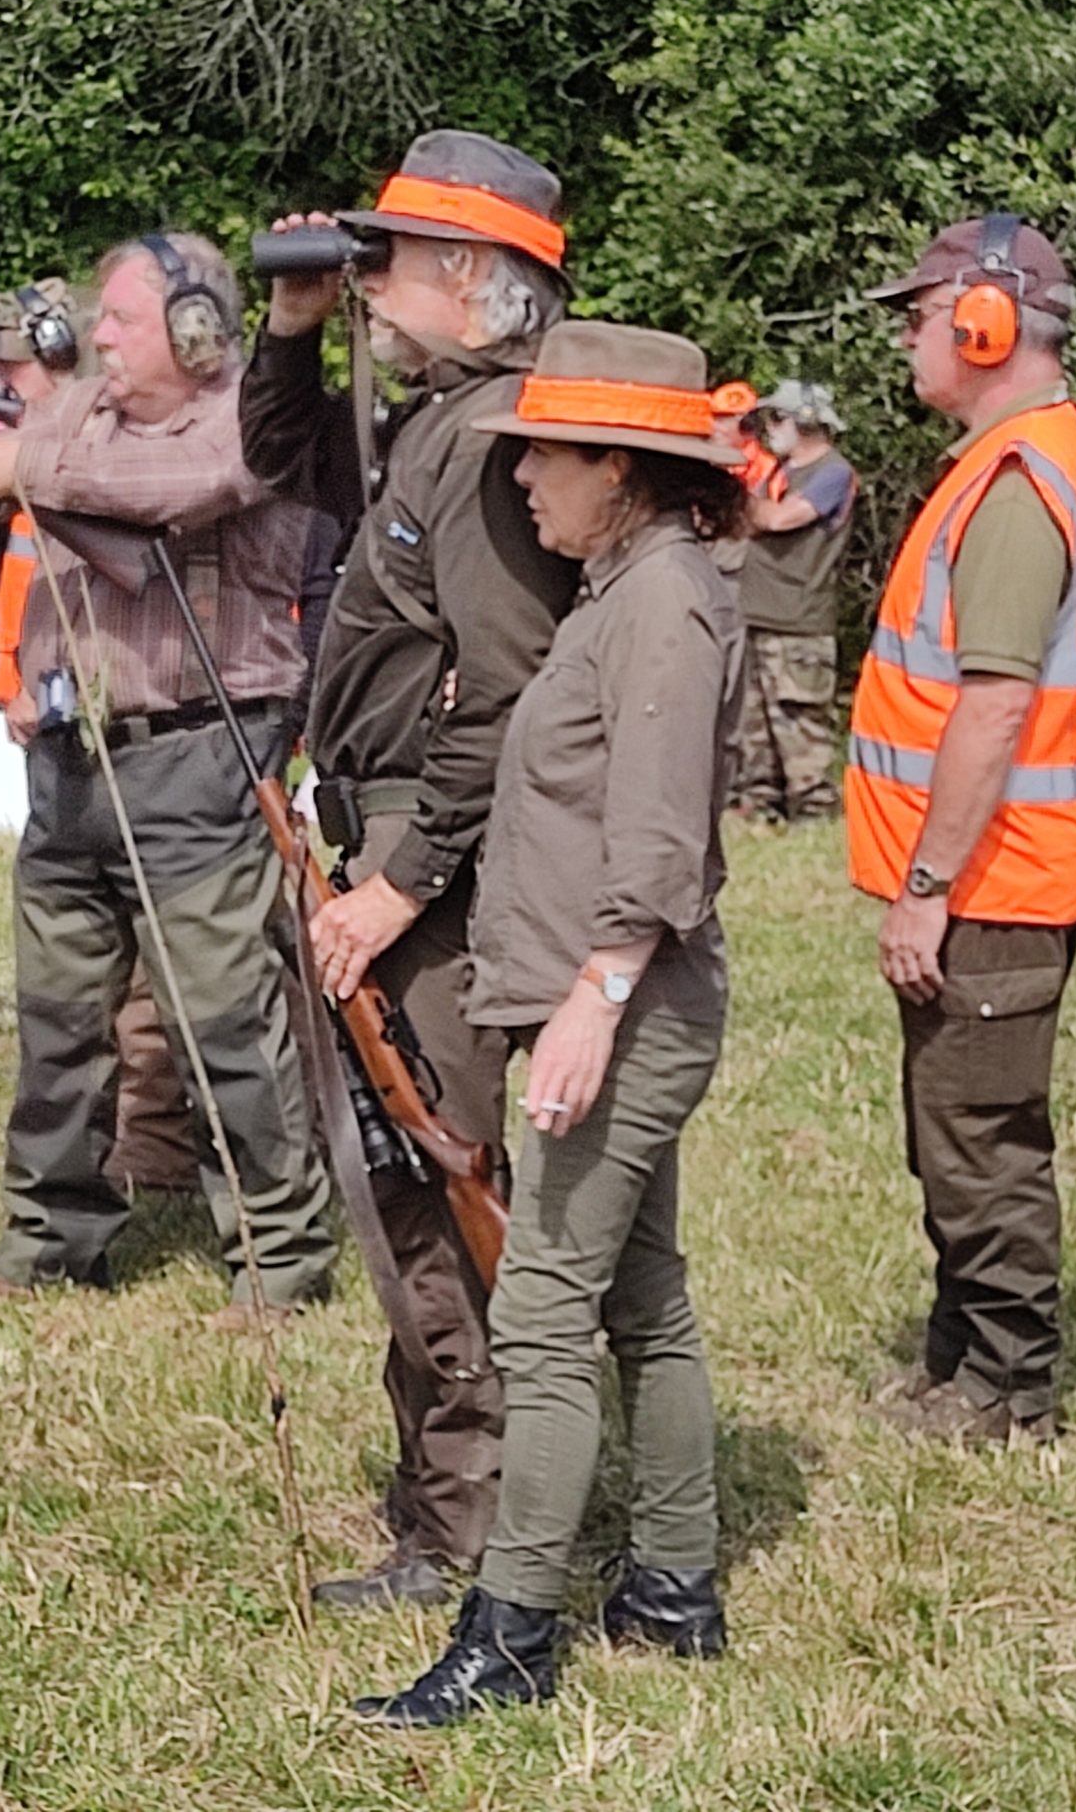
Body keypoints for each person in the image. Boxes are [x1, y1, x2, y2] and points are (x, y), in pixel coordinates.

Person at [0, 234, 337, 1317]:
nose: (95, 334)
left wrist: (21, 465)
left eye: (122, 320)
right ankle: (50, 1243)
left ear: (197, 332)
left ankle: (280, 1259)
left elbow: (189, 483)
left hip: (197, 750)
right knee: (58, 1025)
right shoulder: (73, 423)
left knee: (227, 1024)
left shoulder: (250, 418)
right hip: (70, 761)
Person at [355, 321, 746, 1728]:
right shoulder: (629, 588)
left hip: (623, 1010)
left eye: (545, 452)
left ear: (621, 468)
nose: (520, 476)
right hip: (613, 1003)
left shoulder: (662, 607)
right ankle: (674, 1587)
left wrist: (593, 998)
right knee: (646, 1301)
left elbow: (654, 838)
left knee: (542, 1315)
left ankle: (511, 1634)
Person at [241, 129, 580, 1611]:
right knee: (401, 1171)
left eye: (389, 261)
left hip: (435, 870)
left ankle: (472, 1530)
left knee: (433, 1177)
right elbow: (274, 465)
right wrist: (295, 337)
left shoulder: (495, 438)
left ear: (469, 278)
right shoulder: (436, 417)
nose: (366, 280)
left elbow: (503, 695)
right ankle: (450, 1501)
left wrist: (399, 881)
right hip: (379, 826)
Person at [852, 214, 1076, 1446]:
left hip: (993, 883)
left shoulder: (1018, 485)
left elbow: (994, 704)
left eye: (920, 316)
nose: (908, 337)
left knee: (980, 1142)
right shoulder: (1008, 462)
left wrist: (927, 883)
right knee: (950, 1128)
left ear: (985, 324)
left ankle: (1010, 1394)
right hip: (990, 880)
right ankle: (961, 1362)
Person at [728, 379, 858, 824]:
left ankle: (813, 813)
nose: (769, 428)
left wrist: (728, 495)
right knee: (753, 726)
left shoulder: (832, 473)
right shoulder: (774, 472)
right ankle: (760, 807)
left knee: (800, 725)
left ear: (806, 422)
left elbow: (779, 518)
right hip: (756, 615)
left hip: (799, 623)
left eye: (777, 418)